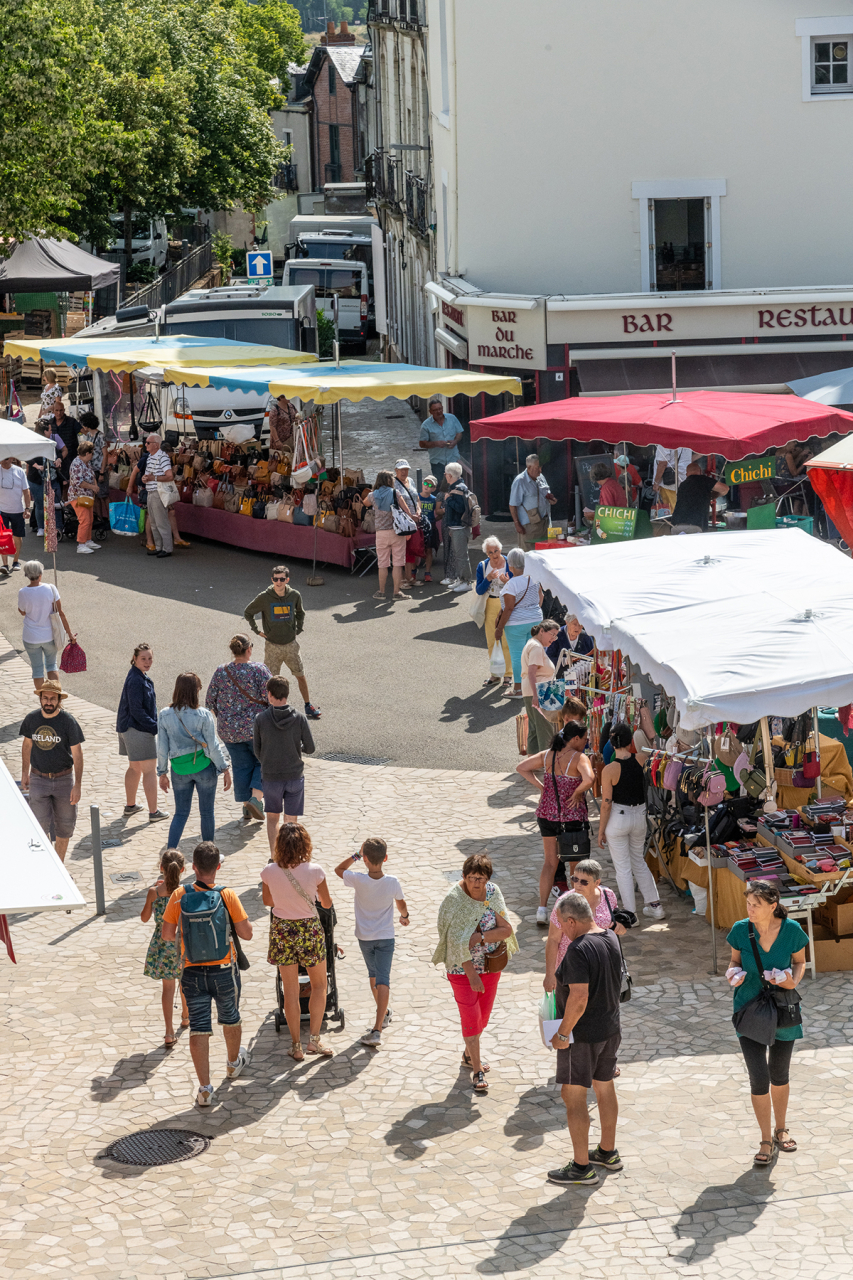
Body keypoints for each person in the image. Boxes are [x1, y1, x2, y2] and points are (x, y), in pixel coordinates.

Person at [161, 840, 253, 1106]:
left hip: (191, 971)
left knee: (199, 1027)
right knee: (230, 1018)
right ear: (218, 867)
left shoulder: (179, 895)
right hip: (224, 968)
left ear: (193, 867)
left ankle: (204, 1089)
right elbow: (246, 934)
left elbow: (167, 935)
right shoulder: (227, 895)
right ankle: (233, 1063)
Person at [727, 880, 807, 1166]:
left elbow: (800, 962)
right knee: (758, 1077)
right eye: (748, 904)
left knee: (779, 1073)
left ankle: (781, 1128)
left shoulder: (792, 931)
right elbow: (734, 961)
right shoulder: (740, 930)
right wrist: (733, 973)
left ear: (773, 906)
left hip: (783, 1009)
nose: (750, 909)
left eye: (756, 905)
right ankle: (765, 1138)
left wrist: (792, 981)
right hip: (748, 1009)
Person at [547, 892, 623, 1186]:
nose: (562, 932)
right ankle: (607, 1151)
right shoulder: (609, 937)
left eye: (563, 926)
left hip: (583, 1035)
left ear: (570, 920)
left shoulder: (578, 949)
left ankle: (581, 1168)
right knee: (605, 1087)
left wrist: (563, 1033)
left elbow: (578, 997)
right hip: (610, 1028)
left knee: (573, 1095)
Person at [433, 852, 517, 1093]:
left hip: (490, 967)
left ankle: (469, 1055)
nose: (476, 883)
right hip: (461, 971)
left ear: (488, 879)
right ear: (463, 877)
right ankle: (477, 1069)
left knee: (482, 1018)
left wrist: (479, 937)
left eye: (481, 878)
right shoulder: (453, 900)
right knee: (471, 1019)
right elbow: (451, 940)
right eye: (471, 878)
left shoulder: (493, 893)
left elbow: (506, 930)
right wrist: (471, 974)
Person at [260, 822, 334, 1060]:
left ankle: (296, 1045)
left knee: (290, 989)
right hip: (309, 929)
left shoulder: (269, 872)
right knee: (320, 985)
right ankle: (314, 1040)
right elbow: (327, 903)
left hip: (282, 929)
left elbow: (268, 902)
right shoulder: (315, 870)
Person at [516, 720, 595, 924]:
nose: (587, 742)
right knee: (576, 866)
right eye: (585, 738)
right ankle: (574, 910)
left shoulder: (548, 755)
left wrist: (542, 787)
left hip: (546, 815)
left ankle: (542, 909)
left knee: (550, 863)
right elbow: (589, 779)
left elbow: (522, 767)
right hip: (571, 818)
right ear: (575, 738)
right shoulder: (579, 758)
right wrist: (577, 792)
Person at [335, 837, 409, 1049]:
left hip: (365, 937)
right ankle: (381, 1020)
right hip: (386, 937)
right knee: (382, 980)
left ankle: (378, 1025)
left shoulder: (358, 879)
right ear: (385, 858)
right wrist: (405, 916)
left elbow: (338, 869)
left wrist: (356, 856)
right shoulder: (392, 882)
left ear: (365, 859)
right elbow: (401, 904)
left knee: (373, 977)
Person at [156, 673, 232, 848]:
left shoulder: (165, 714)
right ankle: (209, 856)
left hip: (179, 770)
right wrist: (224, 768)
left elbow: (161, 747)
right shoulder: (204, 714)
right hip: (204, 767)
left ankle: (170, 853)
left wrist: (162, 773)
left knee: (180, 814)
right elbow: (212, 747)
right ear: (195, 691)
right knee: (206, 813)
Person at [598, 722, 665, 919]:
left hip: (619, 817)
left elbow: (606, 804)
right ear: (630, 742)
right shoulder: (642, 759)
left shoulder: (609, 770)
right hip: (639, 816)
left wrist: (601, 830)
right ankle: (655, 906)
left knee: (623, 868)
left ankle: (630, 914)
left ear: (612, 743)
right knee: (638, 861)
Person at [205, 634, 271, 825]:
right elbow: (272, 695)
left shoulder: (221, 671)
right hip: (255, 729)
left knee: (241, 765)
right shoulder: (259, 669)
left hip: (228, 730)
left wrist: (225, 717)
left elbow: (210, 700)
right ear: (249, 649)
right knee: (263, 762)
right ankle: (256, 800)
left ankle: (246, 807)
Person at [243, 565, 321, 718]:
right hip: (272, 646)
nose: (279, 582)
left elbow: (300, 613)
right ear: (272, 580)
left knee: (300, 675)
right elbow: (248, 612)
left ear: (287, 580)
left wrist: (297, 630)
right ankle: (268, 709)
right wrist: (256, 631)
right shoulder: (265, 597)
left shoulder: (294, 595)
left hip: (291, 645)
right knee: (270, 680)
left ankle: (307, 705)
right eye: (276, 579)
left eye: (282, 579)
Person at [20, 680, 85, 862]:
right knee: (39, 828)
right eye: (45, 698)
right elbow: (27, 745)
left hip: (64, 780)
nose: (49, 702)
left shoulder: (68, 722)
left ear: (59, 700)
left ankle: (60, 866)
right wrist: (25, 773)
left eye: (52, 699)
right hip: (38, 779)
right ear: (40, 699)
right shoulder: (31, 719)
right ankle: (49, 863)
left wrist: (77, 785)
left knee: (65, 827)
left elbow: (77, 754)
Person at [544, 859, 628, 996]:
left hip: (602, 963)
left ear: (597, 883)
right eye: (575, 879)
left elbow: (613, 920)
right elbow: (553, 940)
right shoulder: (564, 903)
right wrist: (550, 974)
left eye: (584, 881)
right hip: (573, 965)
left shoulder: (608, 895)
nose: (577, 885)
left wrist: (619, 926)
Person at [253, 675, 315, 854]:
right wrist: (296, 748)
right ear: (287, 694)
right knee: (291, 821)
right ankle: (291, 855)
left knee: (272, 819)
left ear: (270, 694)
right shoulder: (300, 718)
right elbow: (310, 748)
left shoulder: (261, 719)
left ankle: (274, 856)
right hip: (294, 776)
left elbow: (257, 750)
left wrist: (267, 759)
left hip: (271, 777)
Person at [140, 848, 189, 1046]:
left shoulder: (155, 892)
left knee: (167, 988)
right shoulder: (185, 892)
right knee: (184, 982)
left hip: (162, 944)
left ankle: (169, 1032)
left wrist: (152, 894)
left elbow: (144, 918)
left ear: (161, 868)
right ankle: (186, 1016)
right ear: (183, 870)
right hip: (183, 943)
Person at [117, 642, 168, 823]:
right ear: (134, 659)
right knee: (149, 770)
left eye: (150, 658)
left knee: (135, 767)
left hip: (128, 729)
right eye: (143, 659)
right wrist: (155, 727)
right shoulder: (137, 680)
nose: (147, 662)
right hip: (137, 730)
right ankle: (153, 812)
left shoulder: (137, 676)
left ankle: (130, 806)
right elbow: (137, 710)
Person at [493, 547, 543, 697]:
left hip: (516, 624)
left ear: (511, 565)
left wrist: (499, 628)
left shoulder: (511, 584)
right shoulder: (534, 578)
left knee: (518, 656)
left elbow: (508, 608)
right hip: (535, 619)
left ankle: (518, 689)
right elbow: (541, 597)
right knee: (532, 655)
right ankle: (532, 687)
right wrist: (532, 612)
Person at [17, 560, 73, 690]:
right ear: (40, 574)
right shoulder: (51, 588)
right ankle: (55, 697)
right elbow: (60, 612)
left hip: (31, 637)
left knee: (37, 669)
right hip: (50, 635)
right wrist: (69, 633)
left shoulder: (23, 592)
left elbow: (22, 612)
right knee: (52, 666)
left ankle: (43, 699)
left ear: (26, 575)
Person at [474, 536, 512, 686]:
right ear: (486, 554)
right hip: (490, 603)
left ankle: (508, 675)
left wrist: (508, 582)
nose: (494, 554)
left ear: (501, 549)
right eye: (490, 552)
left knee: (506, 640)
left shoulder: (510, 562)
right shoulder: (482, 566)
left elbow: (518, 585)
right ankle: (495, 674)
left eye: (496, 550)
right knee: (492, 640)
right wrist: (488, 578)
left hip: (507, 604)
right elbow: (479, 590)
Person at [363, 470, 405, 600]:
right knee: (397, 563)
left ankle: (381, 592)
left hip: (381, 533)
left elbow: (365, 503)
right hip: (396, 531)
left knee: (382, 564)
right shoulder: (396, 493)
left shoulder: (372, 495)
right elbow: (405, 509)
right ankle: (396, 593)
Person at [521, 619, 561, 755]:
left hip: (540, 689)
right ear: (542, 631)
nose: (554, 639)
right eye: (552, 634)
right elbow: (532, 671)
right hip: (542, 690)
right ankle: (547, 765)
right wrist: (536, 695)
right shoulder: (537, 647)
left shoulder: (533, 644)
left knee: (535, 729)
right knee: (546, 729)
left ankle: (534, 763)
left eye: (556, 636)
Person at [509, 453, 557, 549]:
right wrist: (517, 524)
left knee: (543, 553)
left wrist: (551, 499)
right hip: (529, 526)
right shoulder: (520, 481)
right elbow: (513, 505)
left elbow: (547, 494)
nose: (540, 470)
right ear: (529, 467)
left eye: (540, 467)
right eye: (537, 468)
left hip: (545, 523)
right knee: (529, 554)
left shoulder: (541, 477)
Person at [27, 419, 65, 537]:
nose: (51, 432)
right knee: (39, 504)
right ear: (44, 431)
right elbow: (26, 456)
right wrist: (36, 465)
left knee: (56, 503)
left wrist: (59, 459)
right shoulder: (33, 443)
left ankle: (58, 527)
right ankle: (41, 527)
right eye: (50, 430)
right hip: (37, 479)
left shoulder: (50, 442)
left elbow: (58, 453)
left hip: (52, 477)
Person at [668, 461, 729, 534]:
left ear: (686, 474)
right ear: (700, 472)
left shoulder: (682, 485)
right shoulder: (703, 480)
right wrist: (715, 495)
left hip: (675, 526)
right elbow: (725, 488)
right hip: (695, 526)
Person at [141, 433, 175, 558]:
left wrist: (152, 478)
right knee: (154, 522)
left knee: (161, 522)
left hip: (158, 492)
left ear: (156, 445)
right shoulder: (150, 457)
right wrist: (146, 478)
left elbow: (170, 476)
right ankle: (160, 547)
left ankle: (167, 548)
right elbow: (150, 475)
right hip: (151, 491)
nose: (146, 444)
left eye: (148, 443)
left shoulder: (163, 457)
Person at [440, 462, 473, 592]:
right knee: (459, 555)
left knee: (461, 556)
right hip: (456, 527)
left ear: (448, 475)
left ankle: (466, 582)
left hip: (459, 527)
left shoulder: (459, 488)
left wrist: (448, 499)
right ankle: (461, 579)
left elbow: (460, 508)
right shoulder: (460, 487)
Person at [419, 396, 464, 486]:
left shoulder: (452, 418)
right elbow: (422, 443)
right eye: (435, 410)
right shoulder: (426, 425)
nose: (438, 411)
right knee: (440, 487)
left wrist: (455, 441)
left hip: (453, 459)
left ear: (442, 408)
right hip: (438, 462)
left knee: (456, 486)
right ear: (430, 412)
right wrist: (435, 443)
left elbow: (459, 433)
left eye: (440, 409)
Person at [394, 459, 422, 590]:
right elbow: (397, 503)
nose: (404, 472)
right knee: (402, 550)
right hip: (403, 522)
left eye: (406, 469)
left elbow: (416, 497)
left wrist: (419, 510)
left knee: (411, 549)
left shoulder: (411, 480)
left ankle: (409, 577)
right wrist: (411, 516)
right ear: (396, 471)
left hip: (414, 520)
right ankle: (401, 580)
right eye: (401, 469)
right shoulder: (394, 484)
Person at [0, 454, 31, 574]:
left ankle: (16, 561)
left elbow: (26, 491)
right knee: (3, 537)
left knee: (17, 536)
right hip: (2, 510)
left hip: (17, 510)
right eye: (1, 458)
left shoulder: (19, 471)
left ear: (12, 458)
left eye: (6, 458)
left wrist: (27, 508)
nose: (3, 461)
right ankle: (5, 564)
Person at [67, 442, 100, 554]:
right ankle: (81, 544)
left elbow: (92, 476)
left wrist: (94, 486)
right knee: (84, 520)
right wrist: (93, 487)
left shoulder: (86, 463)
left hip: (86, 496)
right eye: (92, 453)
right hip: (78, 496)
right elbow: (78, 482)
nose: (92, 455)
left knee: (90, 519)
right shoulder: (77, 464)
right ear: (87, 453)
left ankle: (88, 540)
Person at [652, 444, 691, 512]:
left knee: (668, 511)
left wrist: (656, 483)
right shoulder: (686, 441)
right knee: (681, 508)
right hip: (684, 480)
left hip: (667, 483)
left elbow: (662, 464)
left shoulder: (663, 442)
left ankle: (672, 522)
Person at [418, 474, 441, 582]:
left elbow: (439, 513)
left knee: (429, 550)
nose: (426, 486)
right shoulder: (417, 497)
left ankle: (427, 573)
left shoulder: (434, 499)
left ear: (434, 489)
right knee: (416, 548)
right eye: (425, 483)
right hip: (418, 526)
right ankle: (413, 571)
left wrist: (434, 521)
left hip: (430, 526)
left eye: (430, 485)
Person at [51, 399, 80, 484]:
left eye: (61, 410)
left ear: (64, 410)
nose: (59, 413)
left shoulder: (72, 421)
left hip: (70, 458)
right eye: (56, 410)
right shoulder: (50, 424)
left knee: (69, 483)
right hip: (55, 460)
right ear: (53, 411)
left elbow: (83, 432)